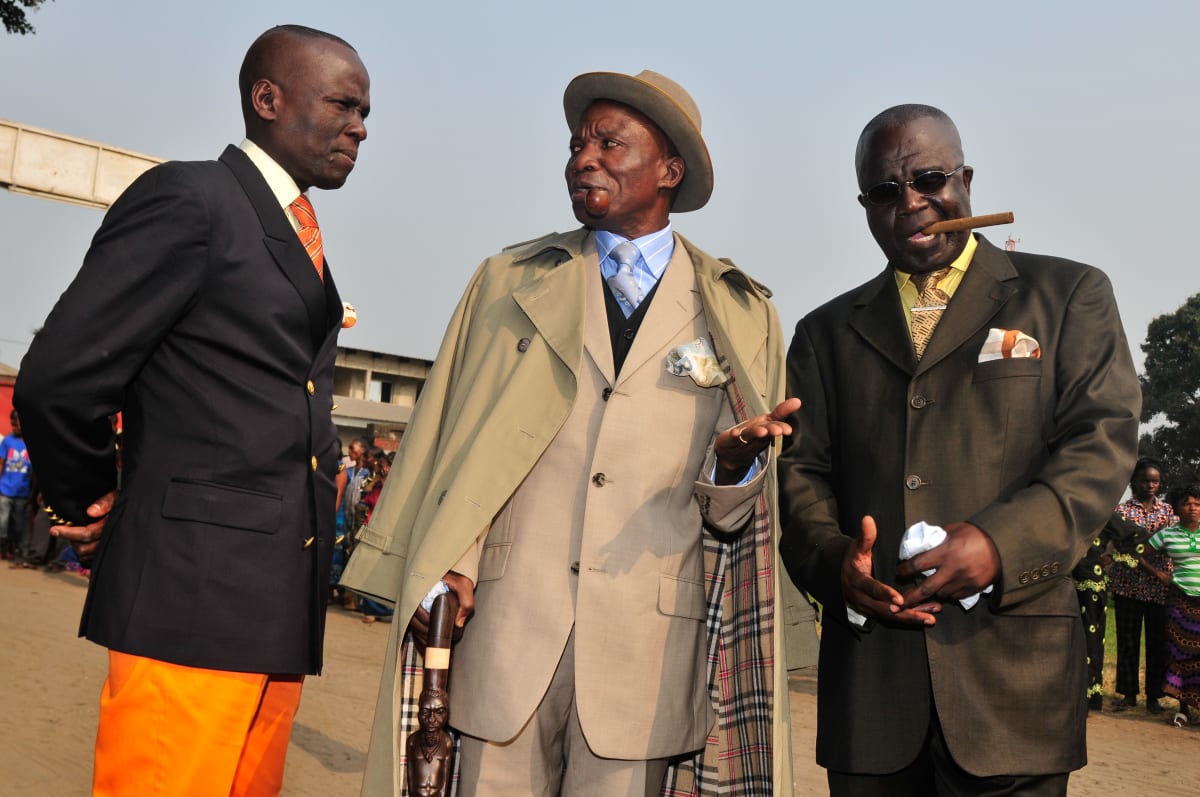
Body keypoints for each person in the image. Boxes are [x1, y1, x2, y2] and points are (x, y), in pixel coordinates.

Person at [341, 69, 812, 795]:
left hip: (647, 657)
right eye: (577, 143)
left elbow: (737, 515)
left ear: (669, 171)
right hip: (504, 631)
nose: (583, 157)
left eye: (610, 143)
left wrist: (732, 468)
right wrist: (450, 562)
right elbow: (452, 436)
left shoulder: (741, 312)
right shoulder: (507, 282)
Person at [14, 24, 369, 796]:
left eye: (364, 111)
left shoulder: (292, 229)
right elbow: (62, 375)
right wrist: (89, 493)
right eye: (343, 103)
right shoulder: (193, 199)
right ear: (267, 98)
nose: (360, 126)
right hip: (192, 598)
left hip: (272, 610)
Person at [778, 104, 1140, 795]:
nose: (910, 204)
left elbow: (1098, 445)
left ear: (966, 179)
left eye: (930, 178)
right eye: (885, 192)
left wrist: (998, 544)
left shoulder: (1065, 296)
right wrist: (835, 566)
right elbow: (802, 476)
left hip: (1013, 686)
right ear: (865, 206)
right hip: (872, 692)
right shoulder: (824, 332)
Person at [1108, 457, 1178, 713]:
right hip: (1128, 584)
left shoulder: (1168, 512)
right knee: (1127, 640)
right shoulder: (1122, 512)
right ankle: (1127, 694)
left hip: (1160, 590)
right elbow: (1125, 548)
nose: (1150, 485)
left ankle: (1154, 696)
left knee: (1157, 642)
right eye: (1145, 480)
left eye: (1155, 481)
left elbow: (1172, 544)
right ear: (1134, 482)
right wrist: (1155, 571)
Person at [1146, 484, 1200, 727]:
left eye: (1197, 504)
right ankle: (1183, 709)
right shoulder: (1167, 534)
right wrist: (1159, 574)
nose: (1192, 508)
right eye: (1187, 503)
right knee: (1180, 654)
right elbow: (1138, 553)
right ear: (1177, 507)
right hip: (1179, 602)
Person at [0, 410, 33, 561]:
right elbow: (1, 463)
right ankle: (2, 546)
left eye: (17, 424)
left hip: (22, 491)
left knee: (18, 524)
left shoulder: (32, 443)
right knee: (3, 520)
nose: (14, 427)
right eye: (12, 424)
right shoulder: (7, 441)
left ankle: (14, 548)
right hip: (5, 489)